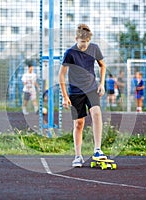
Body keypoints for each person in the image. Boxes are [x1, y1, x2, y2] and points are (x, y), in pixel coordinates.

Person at [59, 24, 107, 167]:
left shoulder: (94, 48)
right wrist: (65, 96)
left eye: (86, 42)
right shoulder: (70, 53)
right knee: (79, 124)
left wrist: (102, 84)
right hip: (75, 92)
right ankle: (78, 156)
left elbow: (102, 65)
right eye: (82, 42)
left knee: (96, 113)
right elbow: (61, 75)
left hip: (91, 88)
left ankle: (97, 149)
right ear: (76, 39)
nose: (84, 45)